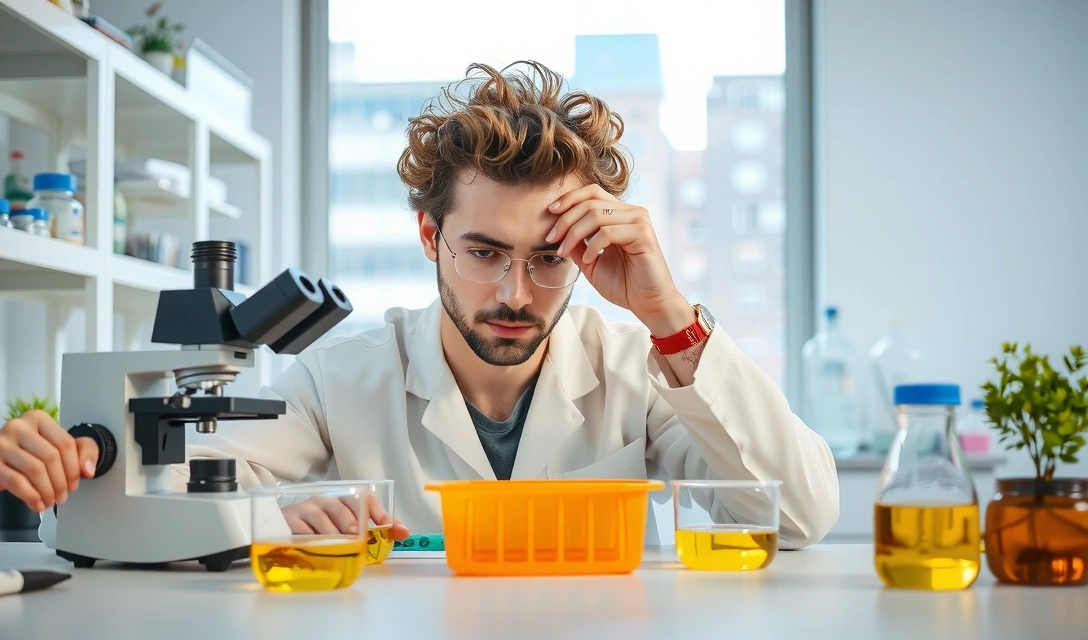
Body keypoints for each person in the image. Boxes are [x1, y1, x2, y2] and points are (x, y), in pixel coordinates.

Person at [0, 61, 838, 549]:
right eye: (483, 253)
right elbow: (180, 482)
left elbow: (798, 516)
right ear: (430, 237)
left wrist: (669, 315)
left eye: (550, 259)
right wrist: (65, 460)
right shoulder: (344, 374)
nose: (516, 294)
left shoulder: (639, 369)